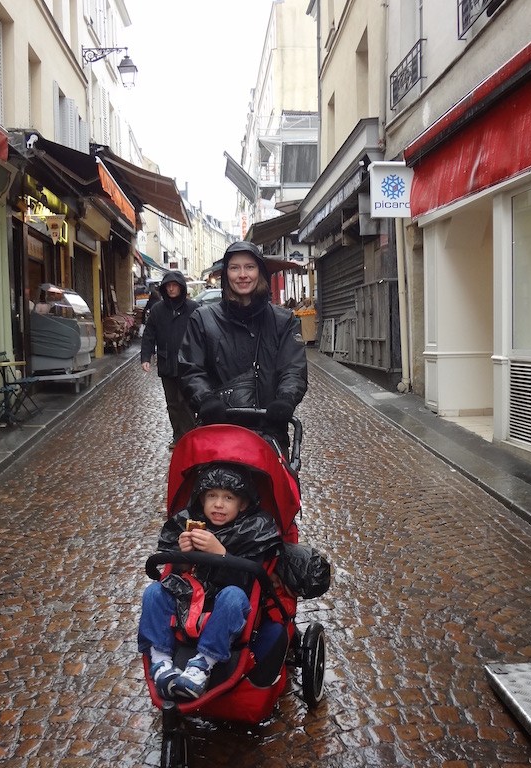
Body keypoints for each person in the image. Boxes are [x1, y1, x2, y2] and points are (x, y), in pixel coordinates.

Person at [138, 463, 282, 700]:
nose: (218, 504)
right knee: (154, 592)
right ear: (201, 500)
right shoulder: (188, 525)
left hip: (224, 610)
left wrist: (221, 554)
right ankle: (161, 661)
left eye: (228, 497)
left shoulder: (253, 531)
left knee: (234, 595)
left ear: (243, 504)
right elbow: (176, 577)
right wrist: (182, 557)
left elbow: (249, 581)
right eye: (211, 496)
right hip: (189, 603)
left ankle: (203, 664)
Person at [178, 241, 308, 451]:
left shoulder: (283, 321)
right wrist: (205, 400)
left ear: (260, 272)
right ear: (226, 274)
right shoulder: (202, 319)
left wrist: (285, 399)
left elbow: (293, 368)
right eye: (234, 267)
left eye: (249, 267)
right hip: (219, 429)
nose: (242, 274)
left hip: (270, 429)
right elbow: (191, 368)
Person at [141, 271, 199, 449]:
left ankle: (190, 435)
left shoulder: (193, 308)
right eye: (169, 285)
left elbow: (202, 334)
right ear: (165, 288)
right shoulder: (158, 310)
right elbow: (149, 334)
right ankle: (178, 436)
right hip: (167, 363)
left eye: (175, 285)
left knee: (187, 402)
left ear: (181, 287)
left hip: (188, 364)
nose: (172, 288)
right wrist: (146, 357)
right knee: (172, 403)